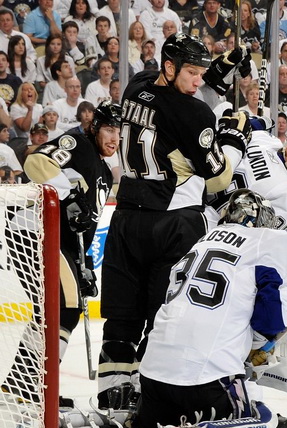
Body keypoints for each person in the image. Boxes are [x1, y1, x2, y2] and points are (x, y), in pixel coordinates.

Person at [97, 33, 252, 408]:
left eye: (202, 73)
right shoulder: (195, 114)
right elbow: (218, 178)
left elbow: (173, 108)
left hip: (126, 219)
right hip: (173, 224)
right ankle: (150, 405)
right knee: (162, 318)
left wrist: (216, 73)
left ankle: (112, 402)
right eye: (193, 73)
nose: (198, 81)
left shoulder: (136, 86)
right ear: (170, 67)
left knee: (120, 320)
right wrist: (233, 138)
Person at [136, 189, 287, 428]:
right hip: (207, 381)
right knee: (260, 423)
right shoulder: (264, 244)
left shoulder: (199, 244)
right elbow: (269, 324)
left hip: (152, 379)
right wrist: (261, 343)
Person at [24, 100, 121, 363]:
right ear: (96, 127)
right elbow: (35, 161)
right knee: (66, 307)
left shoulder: (104, 170)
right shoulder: (78, 143)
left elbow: (83, 224)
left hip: (61, 242)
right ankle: (42, 383)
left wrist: (83, 265)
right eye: (110, 130)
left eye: (119, 133)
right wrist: (68, 195)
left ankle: (23, 382)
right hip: (36, 233)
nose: (115, 138)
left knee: (49, 310)